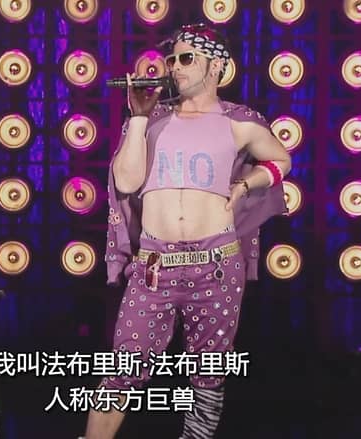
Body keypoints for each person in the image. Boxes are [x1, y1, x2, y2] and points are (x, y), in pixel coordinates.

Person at [84, 23, 292, 439]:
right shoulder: (152, 119)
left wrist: (245, 183)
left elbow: (281, 160)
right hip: (154, 268)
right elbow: (125, 181)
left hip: (216, 265)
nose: (174, 67)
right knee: (123, 368)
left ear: (216, 66)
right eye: (171, 59)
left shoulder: (238, 121)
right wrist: (137, 117)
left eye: (185, 58)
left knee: (208, 374)